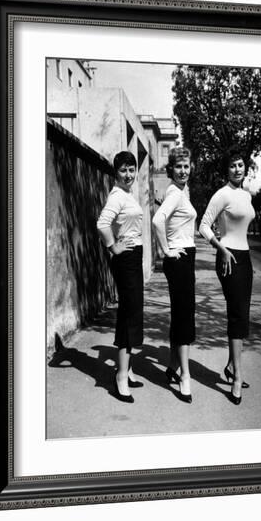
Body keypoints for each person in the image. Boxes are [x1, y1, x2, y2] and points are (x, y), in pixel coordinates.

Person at [199, 152, 255, 405]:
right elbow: (204, 226)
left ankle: (232, 367)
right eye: (232, 165)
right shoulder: (222, 194)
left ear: (246, 167)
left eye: (240, 164)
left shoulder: (247, 195)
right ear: (226, 170)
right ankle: (236, 377)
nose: (237, 169)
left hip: (245, 259)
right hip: (227, 258)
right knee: (236, 314)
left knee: (243, 314)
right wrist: (221, 248)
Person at [97, 151, 144, 403]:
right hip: (125, 259)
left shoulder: (127, 194)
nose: (129, 175)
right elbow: (102, 224)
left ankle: (127, 368)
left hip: (133, 256)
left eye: (132, 169)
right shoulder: (117, 196)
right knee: (128, 314)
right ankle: (121, 377)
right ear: (116, 172)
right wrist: (113, 247)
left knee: (133, 312)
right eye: (124, 170)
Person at [152, 147, 197, 403]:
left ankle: (172, 366)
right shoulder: (174, 193)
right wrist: (167, 251)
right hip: (178, 259)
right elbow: (158, 220)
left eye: (186, 166)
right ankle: (185, 377)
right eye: (179, 166)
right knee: (184, 318)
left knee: (181, 314)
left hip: (184, 257)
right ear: (172, 169)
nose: (183, 171)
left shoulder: (181, 192)